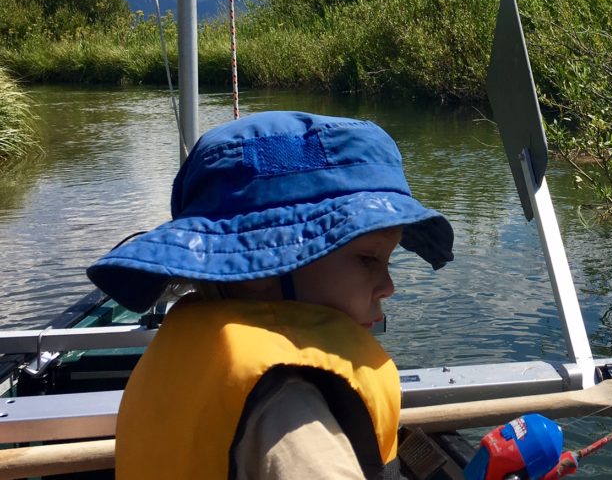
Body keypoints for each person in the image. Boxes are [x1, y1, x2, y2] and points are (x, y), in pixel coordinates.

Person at [86, 111, 455, 480]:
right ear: (264, 270)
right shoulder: (290, 416)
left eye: (387, 261)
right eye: (367, 259)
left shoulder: (194, 350)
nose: (388, 287)